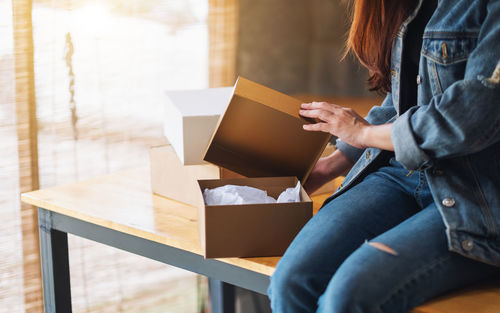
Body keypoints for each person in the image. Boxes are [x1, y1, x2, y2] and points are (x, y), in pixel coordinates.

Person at [267, 0, 500, 312]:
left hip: (477, 191)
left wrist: (361, 132)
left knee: (346, 299)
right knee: (291, 281)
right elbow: (405, 99)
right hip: (400, 173)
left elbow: (472, 115)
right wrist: (333, 164)